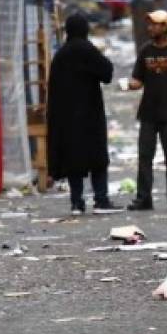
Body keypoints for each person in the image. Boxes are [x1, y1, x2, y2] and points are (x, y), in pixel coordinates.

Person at [47, 13, 116, 214]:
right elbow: (107, 73)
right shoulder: (88, 50)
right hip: (90, 115)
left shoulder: (61, 55)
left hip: (66, 117)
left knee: (73, 159)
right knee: (97, 158)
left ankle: (77, 202)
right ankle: (101, 199)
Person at [123, 9, 167, 211]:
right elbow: (138, 79)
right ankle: (143, 198)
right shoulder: (145, 51)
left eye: (156, 24)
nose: (151, 27)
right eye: (150, 24)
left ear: (166, 27)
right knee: (145, 156)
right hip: (148, 114)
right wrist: (132, 84)